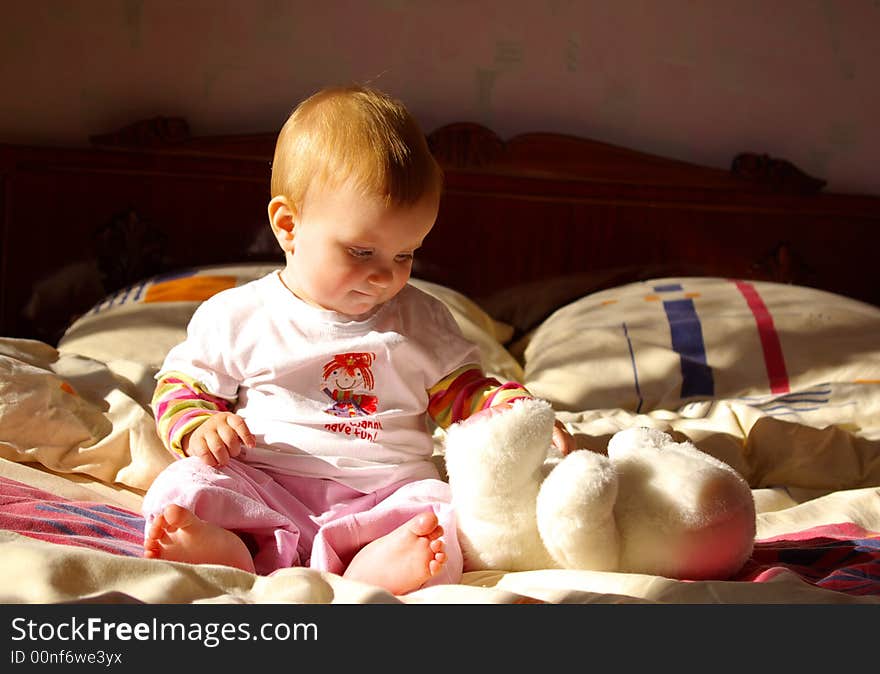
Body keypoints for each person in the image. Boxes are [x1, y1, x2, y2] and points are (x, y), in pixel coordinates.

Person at [142, 84, 575, 595]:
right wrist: (199, 425)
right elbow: (181, 387)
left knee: (440, 510)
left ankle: (373, 566)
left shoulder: (421, 322)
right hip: (267, 484)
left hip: (381, 496)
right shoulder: (240, 316)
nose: (386, 277)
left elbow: (463, 395)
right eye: (363, 251)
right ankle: (232, 548)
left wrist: (512, 413)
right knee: (184, 484)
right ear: (288, 225)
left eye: (405, 255)